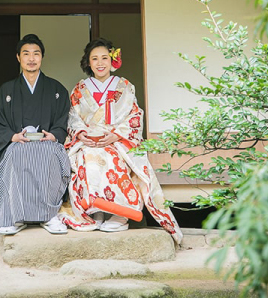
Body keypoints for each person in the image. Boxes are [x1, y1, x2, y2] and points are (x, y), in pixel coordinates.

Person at [59, 38, 183, 244]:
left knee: (114, 160)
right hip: (88, 141)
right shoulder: (80, 88)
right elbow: (73, 116)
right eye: (95, 59)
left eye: (104, 58)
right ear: (88, 63)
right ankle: (96, 210)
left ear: (112, 60)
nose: (100, 63)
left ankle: (120, 214)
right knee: (87, 158)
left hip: (117, 140)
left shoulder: (124, 86)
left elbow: (134, 116)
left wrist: (115, 135)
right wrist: (81, 134)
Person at [0, 33, 71, 235]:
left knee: (51, 155)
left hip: (47, 144)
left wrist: (55, 135)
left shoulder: (56, 89)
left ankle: (49, 215)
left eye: (36, 54)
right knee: (15, 153)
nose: (31, 59)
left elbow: (64, 119)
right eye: (26, 54)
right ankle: (15, 216)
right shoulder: (7, 89)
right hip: (17, 144)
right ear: (18, 58)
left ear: (42, 57)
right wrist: (11, 136)